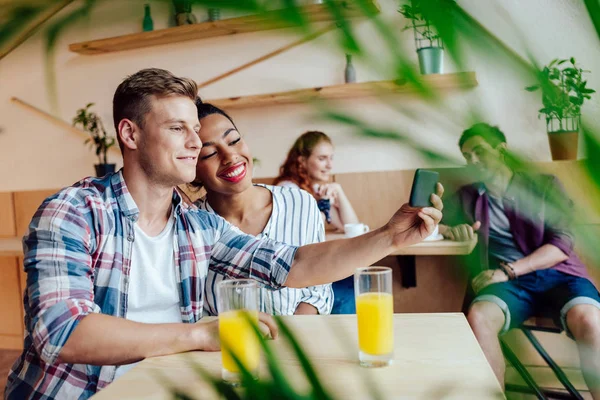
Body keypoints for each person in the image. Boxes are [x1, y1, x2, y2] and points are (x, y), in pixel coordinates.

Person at [5, 68, 443, 400]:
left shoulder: (196, 224)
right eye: (178, 128)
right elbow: (62, 332)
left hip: (167, 387)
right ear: (130, 133)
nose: (195, 142)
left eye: (195, 129)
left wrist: (389, 236)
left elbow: (293, 265)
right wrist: (198, 335)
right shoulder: (73, 212)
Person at [440, 123, 600, 398]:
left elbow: (562, 242)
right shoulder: (468, 195)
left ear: (502, 150)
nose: (473, 161)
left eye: (479, 152)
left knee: (589, 319)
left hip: (559, 274)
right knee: (478, 317)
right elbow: (434, 225)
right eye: (468, 157)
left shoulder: (544, 185)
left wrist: (510, 270)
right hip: (508, 287)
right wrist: (452, 230)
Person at [190, 102, 333, 316]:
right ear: (192, 169)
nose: (230, 156)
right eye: (210, 153)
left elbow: (318, 290)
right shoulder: (189, 225)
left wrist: (287, 344)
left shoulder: (300, 202)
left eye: (235, 140)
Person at [274, 131, 359, 314]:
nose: (329, 165)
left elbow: (351, 227)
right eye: (322, 158)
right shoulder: (287, 190)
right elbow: (301, 234)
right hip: (296, 274)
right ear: (302, 161)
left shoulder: (315, 189)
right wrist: (322, 207)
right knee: (352, 287)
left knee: (354, 279)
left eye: (331, 158)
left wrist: (339, 191)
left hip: (315, 264)